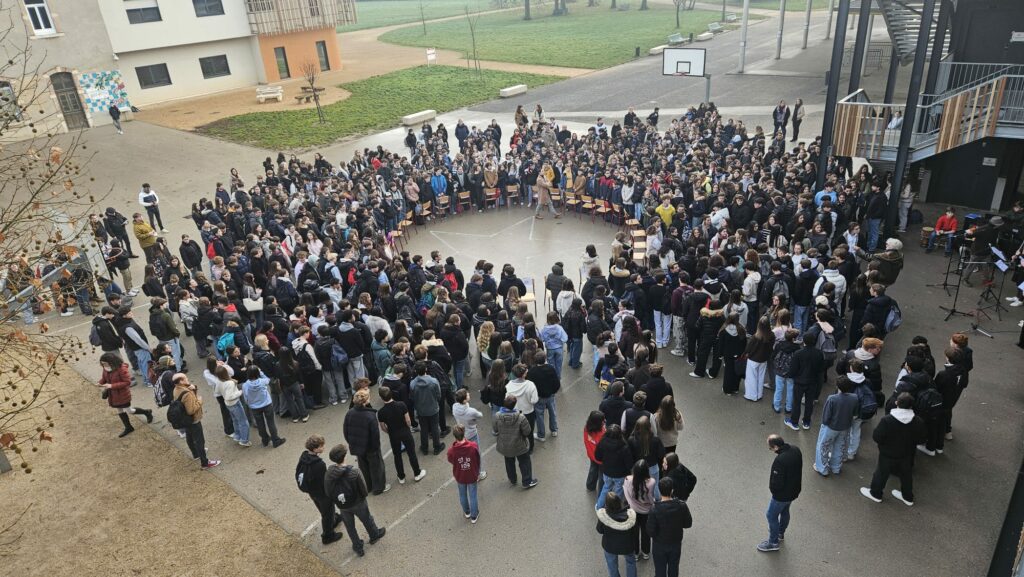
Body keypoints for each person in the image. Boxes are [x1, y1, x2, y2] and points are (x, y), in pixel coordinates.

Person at [860, 393, 927, 506]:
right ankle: (907, 497)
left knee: (881, 473)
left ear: (897, 403)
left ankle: (876, 494)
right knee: (906, 474)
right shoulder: (918, 421)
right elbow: (922, 439)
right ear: (911, 406)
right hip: (907, 453)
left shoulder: (887, 420)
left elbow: (877, 436)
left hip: (888, 453)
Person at [324, 443, 387, 557]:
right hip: (358, 502)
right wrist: (362, 497)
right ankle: (374, 535)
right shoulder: (354, 472)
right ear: (344, 456)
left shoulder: (329, 473)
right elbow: (364, 489)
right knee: (367, 519)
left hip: (342, 505)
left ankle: (358, 546)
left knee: (350, 527)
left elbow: (328, 492)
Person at [296, 435, 343, 545]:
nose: (323, 447)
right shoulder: (319, 464)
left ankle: (334, 520)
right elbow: (325, 481)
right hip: (322, 493)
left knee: (323, 510)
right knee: (327, 512)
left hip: (312, 492)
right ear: (315, 449)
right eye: (321, 446)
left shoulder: (304, 456)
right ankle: (328, 536)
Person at [758, 434, 801, 552]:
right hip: (793, 491)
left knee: (771, 515)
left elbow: (776, 483)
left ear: (776, 447)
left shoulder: (780, 460)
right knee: (785, 511)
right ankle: (780, 533)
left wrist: (773, 491)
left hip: (781, 495)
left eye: (770, 448)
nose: (771, 451)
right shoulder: (795, 450)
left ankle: (773, 542)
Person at [343, 389, 390, 495]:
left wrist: (352, 443)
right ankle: (378, 488)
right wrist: (375, 447)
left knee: (364, 467)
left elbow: (345, 431)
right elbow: (375, 436)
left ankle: (369, 486)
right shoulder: (370, 416)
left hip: (357, 447)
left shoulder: (349, 413)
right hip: (371, 448)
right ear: (366, 401)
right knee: (376, 468)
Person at [96, 352, 153, 437]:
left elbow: (127, 382)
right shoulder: (105, 368)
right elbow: (104, 378)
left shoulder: (121, 369)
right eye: (102, 363)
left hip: (122, 394)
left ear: (111, 361)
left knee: (129, 411)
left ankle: (147, 412)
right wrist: (100, 382)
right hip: (113, 394)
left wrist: (111, 385)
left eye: (104, 363)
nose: (103, 365)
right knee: (119, 410)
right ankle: (128, 427)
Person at [378, 385, 426, 484]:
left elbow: (383, 427)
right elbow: (408, 421)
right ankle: (417, 473)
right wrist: (407, 427)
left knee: (397, 455)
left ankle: (401, 476)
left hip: (393, 434)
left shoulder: (381, 412)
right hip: (405, 432)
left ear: (381, 397)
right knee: (411, 453)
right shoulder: (401, 405)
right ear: (391, 394)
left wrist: (390, 431)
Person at [171, 372, 220, 469]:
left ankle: (195, 453)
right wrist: (200, 400)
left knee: (189, 436)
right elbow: (191, 410)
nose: (187, 378)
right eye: (185, 378)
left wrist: (193, 390)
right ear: (181, 381)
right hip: (193, 420)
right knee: (200, 441)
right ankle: (205, 462)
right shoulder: (187, 394)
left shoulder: (176, 389)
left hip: (185, 420)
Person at [647, 476, 694, 577]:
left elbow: (650, 531)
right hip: (675, 544)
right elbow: (688, 524)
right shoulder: (681, 506)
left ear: (659, 491)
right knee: (673, 569)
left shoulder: (654, 509)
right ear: (672, 490)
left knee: (660, 571)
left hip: (659, 545)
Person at [813, 376, 859, 476]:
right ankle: (836, 467)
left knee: (823, 447)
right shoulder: (854, 398)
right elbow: (855, 415)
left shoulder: (832, 399)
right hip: (845, 427)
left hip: (830, 427)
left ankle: (822, 468)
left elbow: (825, 418)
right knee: (839, 447)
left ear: (838, 386)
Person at [493, 394, 538, 489]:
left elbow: (495, 429)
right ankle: (527, 481)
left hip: (505, 445)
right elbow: (527, 431)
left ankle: (512, 479)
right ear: (514, 405)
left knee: (509, 462)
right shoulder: (521, 417)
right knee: (524, 462)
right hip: (520, 445)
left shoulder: (497, 416)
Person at [786, 332, 825, 431]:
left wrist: (791, 376)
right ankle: (806, 422)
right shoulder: (819, 353)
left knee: (797, 402)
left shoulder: (798, 353)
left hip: (799, 381)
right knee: (809, 402)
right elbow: (821, 369)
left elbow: (793, 369)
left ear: (804, 341)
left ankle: (794, 422)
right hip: (813, 382)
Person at [241, 366, 286, 448]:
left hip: (254, 407)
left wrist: (249, 404)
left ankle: (265, 440)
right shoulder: (262, 381)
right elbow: (268, 379)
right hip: (266, 404)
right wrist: (261, 372)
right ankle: (275, 440)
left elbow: (246, 397)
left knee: (260, 424)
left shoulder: (245, 385)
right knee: (271, 422)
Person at [597, 492, 638, 577]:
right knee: (630, 562)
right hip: (627, 545)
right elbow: (635, 532)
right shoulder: (630, 516)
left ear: (607, 504)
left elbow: (599, 530)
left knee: (612, 564)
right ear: (619, 502)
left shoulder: (603, 516)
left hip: (610, 546)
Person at [447, 424, 482, 523]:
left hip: (460, 475)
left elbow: (450, 460)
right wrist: (478, 472)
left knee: (462, 494)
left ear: (454, 436)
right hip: (471, 474)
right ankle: (474, 516)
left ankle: (467, 512)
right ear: (464, 433)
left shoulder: (451, 451)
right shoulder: (473, 446)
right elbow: (477, 459)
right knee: (473, 495)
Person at [410, 360, 446, 455]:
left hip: (421, 410)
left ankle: (424, 448)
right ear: (426, 369)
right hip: (433, 408)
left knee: (424, 428)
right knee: (435, 427)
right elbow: (438, 395)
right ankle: (437, 447)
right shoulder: (433, 381)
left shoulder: (413, 383)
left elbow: (413, 397)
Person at [623, 459, 656, 560]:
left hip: (633, 510)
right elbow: (650, 498)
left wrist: (630, 503)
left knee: (634, 532)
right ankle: (645, 552)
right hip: (646, 511)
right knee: (646, 532)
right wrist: (652, 503)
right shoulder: (652, 482)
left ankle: (636, 553)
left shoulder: (628, 480)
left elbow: (626, 494)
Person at [527, 351, 560, 442]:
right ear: (545, 359)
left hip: (538, 397)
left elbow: (530, 386)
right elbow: (556, 382)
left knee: (539, 416)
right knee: (552, 412)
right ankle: (554, 430)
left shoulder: (532, 372)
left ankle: (541, 435)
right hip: (550, 396)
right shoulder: (551, 368)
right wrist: (553, 392)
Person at [506, 363, 539, 452]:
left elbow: (506, 400)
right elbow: (534, 400)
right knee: (529, 432)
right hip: (528, 412)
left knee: (517, 431)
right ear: (524, 374)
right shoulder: (530, 385)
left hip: (515, 413)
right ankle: (530, 448)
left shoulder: (508, 386)